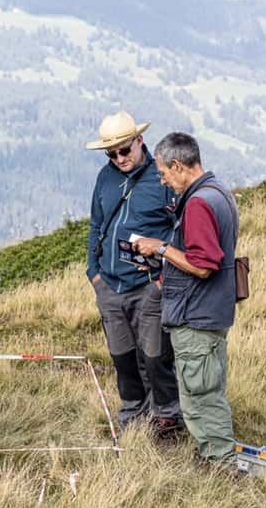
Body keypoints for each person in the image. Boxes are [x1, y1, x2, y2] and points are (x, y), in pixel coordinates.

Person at [133, 132, 239, 467]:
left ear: (178, 166)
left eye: (164, 174)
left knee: (200, 396)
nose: (164, 180)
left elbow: (204, 264)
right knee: (203, 389)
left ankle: (219, 463)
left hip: (197, 315)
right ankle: (212, 455)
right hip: (210, 311)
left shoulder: (198, 203)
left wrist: (161, 248)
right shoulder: (218, 191)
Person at [85, 111, 184, 442]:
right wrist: (94, 274)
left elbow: (181, 229)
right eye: (111, 154)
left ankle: (167, 416)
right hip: (109, 286)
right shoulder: (104, 177)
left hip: (149, 286)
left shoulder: (163, 179)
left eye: (124, 150)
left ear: (139, 141)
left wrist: (161, 277)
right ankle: (133, 413)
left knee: (156, 356)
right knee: (122, 356)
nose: (119, 158)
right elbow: (96, 225)